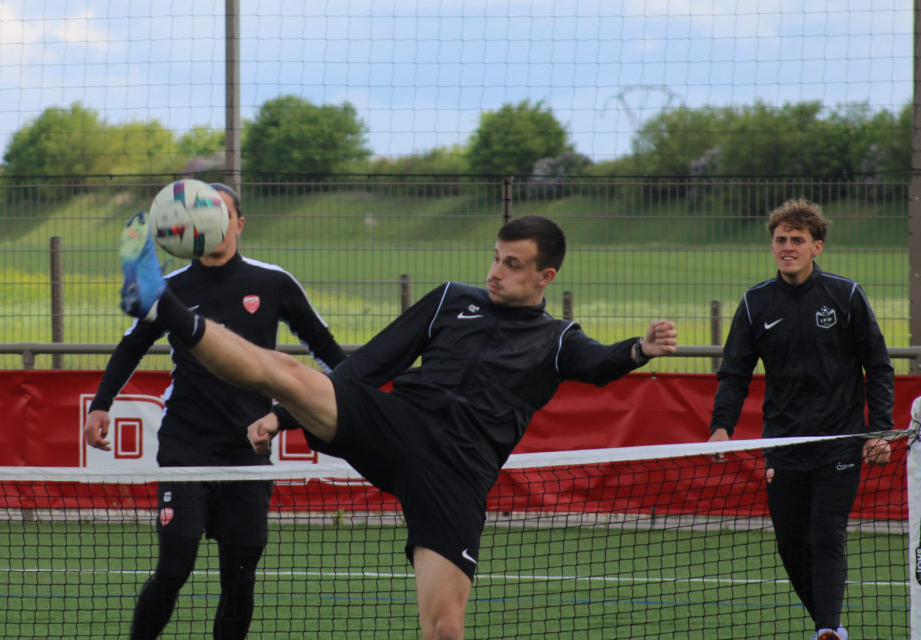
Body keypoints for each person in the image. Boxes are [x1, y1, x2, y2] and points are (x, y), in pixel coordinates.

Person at [117, 211, 678, 640]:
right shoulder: (451, 300)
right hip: (396, 423)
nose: (495, 272)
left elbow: (599, 363)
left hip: (456, 472)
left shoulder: (557, 339)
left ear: (545, 276)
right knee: (285, 371)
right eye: (495, 257)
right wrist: (285, 414)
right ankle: (162, 303)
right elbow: (369, 364)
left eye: (512, 264)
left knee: (444, 629)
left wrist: (638, 349)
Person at [85, 183, 347, 640]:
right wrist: (100, 405)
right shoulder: (169, 289)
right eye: (200, 212)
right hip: (186, 446)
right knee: (173, 569)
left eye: (219, 212)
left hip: (248, 452)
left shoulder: (273, 282)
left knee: (239, 580)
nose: (208, 221)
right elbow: (131, 347)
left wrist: (303, 409)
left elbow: (329, 355)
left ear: (238, 223)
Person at [706, 198, 894, 640]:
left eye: (797, 239)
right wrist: (721, 427)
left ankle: (827, 629)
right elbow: (734, 374)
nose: (787, 247)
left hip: (840, 440)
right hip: (784, 444)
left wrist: (878, 431)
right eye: (780, 239)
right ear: (771, 245)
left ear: (817, 246)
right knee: (791, 543)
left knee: (825, 534)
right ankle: (831, 626)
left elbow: (879, 366)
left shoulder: (846, 295)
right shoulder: (755, 303)